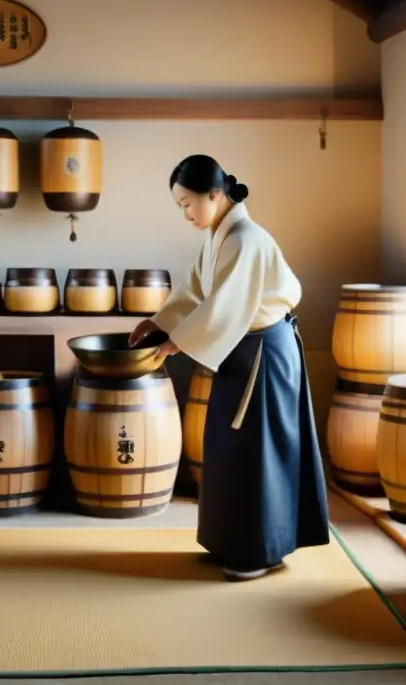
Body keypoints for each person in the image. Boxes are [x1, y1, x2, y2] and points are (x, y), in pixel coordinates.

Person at [128, 154, 330, 582]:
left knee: (258, 453)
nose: (185, 214)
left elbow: (223, 307)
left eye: (187, 204)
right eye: (180, 206)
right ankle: (233, 542)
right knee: (228, 450)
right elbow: (195, 290)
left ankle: (258, 550)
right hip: (244, 354)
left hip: (264, 355)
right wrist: (160, 321)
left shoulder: (245, 239)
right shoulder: (222, 236)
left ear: (215, 195)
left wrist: (174, 342)